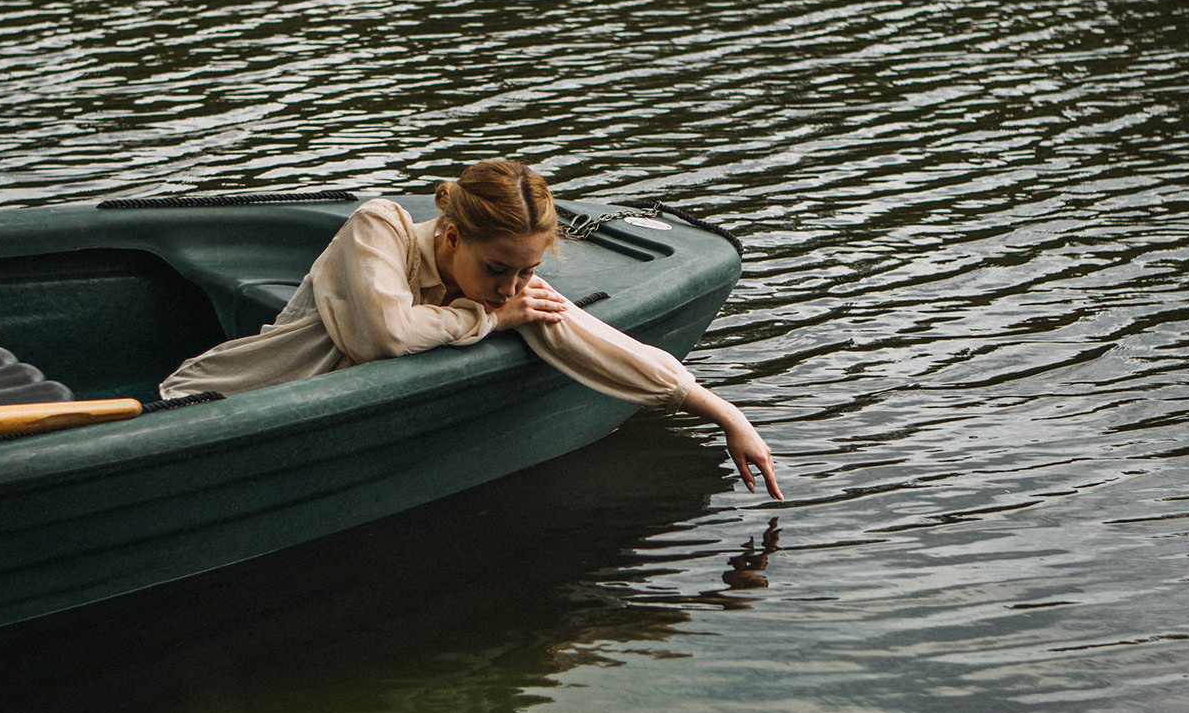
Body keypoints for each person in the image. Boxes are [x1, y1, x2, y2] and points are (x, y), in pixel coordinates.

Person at [158, 160, 781, 500]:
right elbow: (386, 337)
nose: (512, 287)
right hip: (215, 402)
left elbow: (596, 341)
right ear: (451, 235)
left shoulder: (504, 290)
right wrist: (484, 318)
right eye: (497, 269)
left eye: (528, 271)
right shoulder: (380, 229)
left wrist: (729, 417)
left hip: (301, 439)